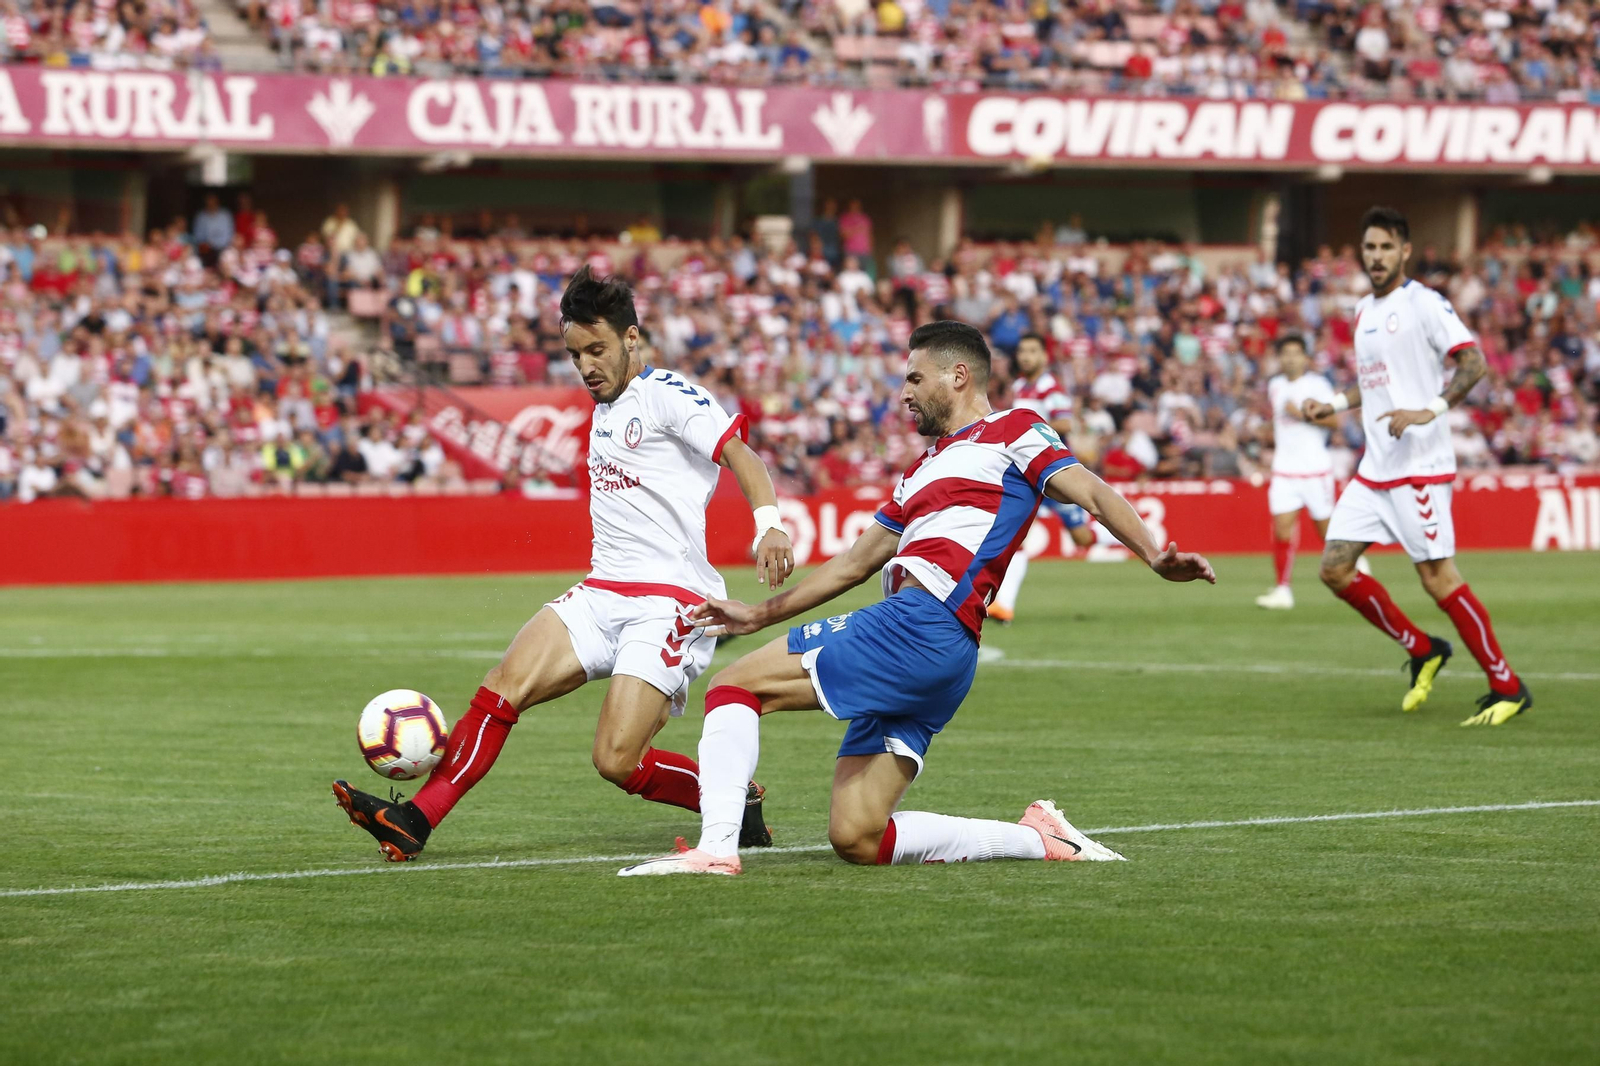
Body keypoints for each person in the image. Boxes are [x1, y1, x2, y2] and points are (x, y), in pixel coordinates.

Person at [617, 321, 1214, 877]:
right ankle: (1040, 838)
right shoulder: (917, 473)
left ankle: (717, 848)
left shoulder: (1014, 430)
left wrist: (1153, 554)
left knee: (733, 688)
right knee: (857, 836)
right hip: (943, 653)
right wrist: (756, 614)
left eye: (914, 378)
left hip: (922, 622)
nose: (903, 393)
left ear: (958, 376)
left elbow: (1091, 491)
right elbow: (853, 563)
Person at [333, 267, 797, 860]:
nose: (586, 366)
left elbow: (741, 455)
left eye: (597, 349)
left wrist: (769, 525)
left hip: (669, 604)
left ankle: (734, 798)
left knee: (615, 760)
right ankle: (415, 820)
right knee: (502, 687)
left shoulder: (668, 395)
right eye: (575, 354)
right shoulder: (603, 412)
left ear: (632, 338)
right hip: (601, 593)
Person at [1301, 207, 1532, 727]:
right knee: (1335, 569)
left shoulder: (1425, 304)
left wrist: (1430, 410)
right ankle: (1423, 647)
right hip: (1375, 467)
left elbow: (1472, 361)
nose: (1376, 257)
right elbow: (1375, 380)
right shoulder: (1363, 309)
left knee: (1437, 578)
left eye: (1386, 247)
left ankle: (1508, 685)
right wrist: (1334, 405)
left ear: (1405, 250)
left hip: (1419, 465)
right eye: (1369, 248)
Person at [990, 333, 1096, 624]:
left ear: (1044, 357)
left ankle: (1116, 532)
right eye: (1022, 351)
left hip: (1055, 470)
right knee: (1014, 534)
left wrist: (1029, 427)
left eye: (1033, 351)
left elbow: (1065, 422)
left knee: (1081, 537)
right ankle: (1003, 606)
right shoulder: (1020, 386)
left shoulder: (1051, 387)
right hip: (1027, 471)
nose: (1026, 356)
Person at [1255, 333, 1349, 610]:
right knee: (1282, 530)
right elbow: (1279, 426)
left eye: (1296, 353)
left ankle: (1352, 564)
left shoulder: (1318, 385)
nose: (1290, 358)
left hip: (1315, 469)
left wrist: (1301, 414)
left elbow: (1334, 422)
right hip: (1284, 469)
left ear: (1306, 358)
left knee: (1326, 530)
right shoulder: (1275, 385)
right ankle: (1283, 590)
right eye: (1285, 353)